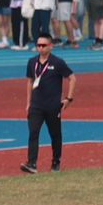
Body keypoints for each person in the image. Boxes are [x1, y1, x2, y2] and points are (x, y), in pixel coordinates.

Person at [20, 33, 75, 175]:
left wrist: (69, 98)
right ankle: (32, 163)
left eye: (43, 45)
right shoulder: (32, 62)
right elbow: (30, 82)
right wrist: (28, 102)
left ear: (51, 46)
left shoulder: (58, 62)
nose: (40, 48)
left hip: (52, 106)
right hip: (36, 106)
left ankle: (56, 162)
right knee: (33, 133)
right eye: (38, 45)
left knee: (55, 135)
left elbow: (72, 78)